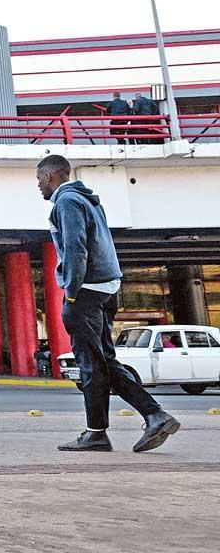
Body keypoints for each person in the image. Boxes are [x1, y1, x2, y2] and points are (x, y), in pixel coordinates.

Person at [37, 154, 179, 452]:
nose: (38, 186)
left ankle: (119, 426)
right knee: (103, 361)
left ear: (50, 176)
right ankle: (139, 420)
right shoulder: (88, 200)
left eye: (39, 179)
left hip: (86, 291)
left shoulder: (67, 202)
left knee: (91, 363)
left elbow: (75, 249)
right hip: (106, 288)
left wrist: (71, 291)